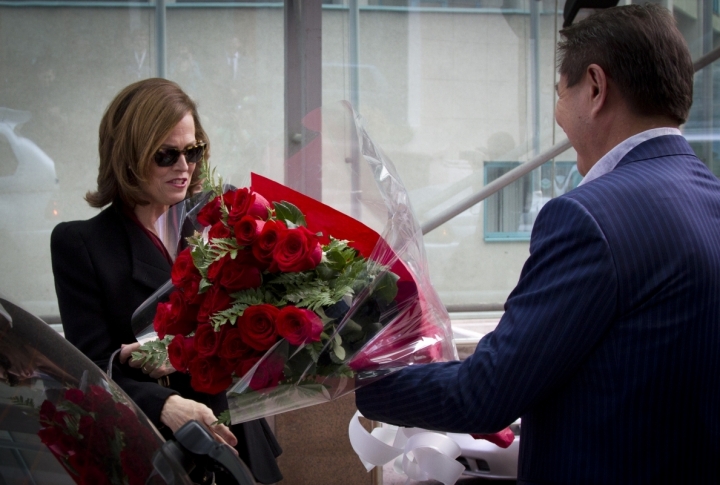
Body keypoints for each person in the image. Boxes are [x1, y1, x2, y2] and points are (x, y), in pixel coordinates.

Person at [356, 4, 720, 484]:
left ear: (594, 86)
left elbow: (484, 395)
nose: (559, 118)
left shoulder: (589, 217)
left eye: (559, 93)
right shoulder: (709, 195)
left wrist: (359, 379)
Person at [51, 78, 283, 484]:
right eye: (166, 155)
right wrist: (166, 404)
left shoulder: (221, 216)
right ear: (128, 157)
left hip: (237, 435)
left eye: (193, 151)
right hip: (159, 444)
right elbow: (90, 367)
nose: (185, 166)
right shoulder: (82, 244)